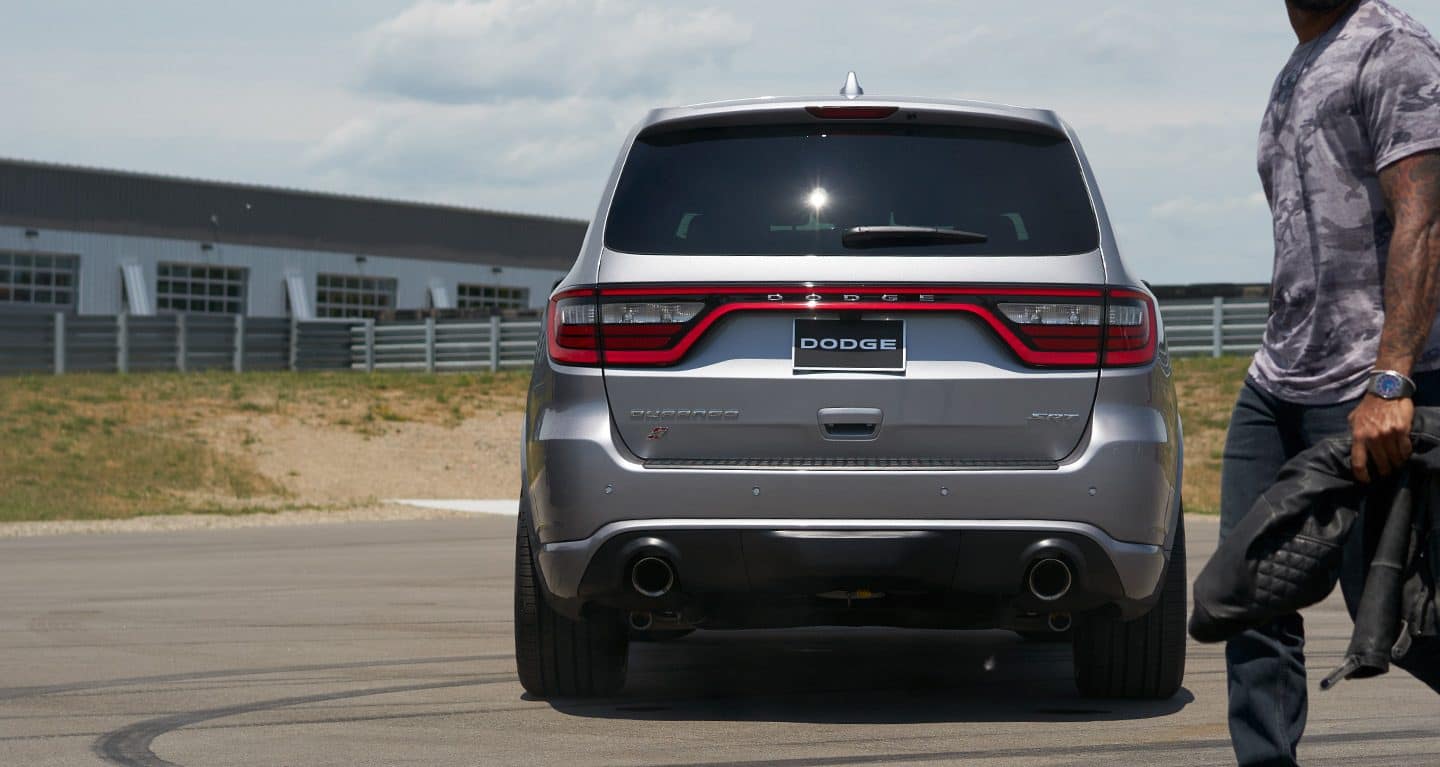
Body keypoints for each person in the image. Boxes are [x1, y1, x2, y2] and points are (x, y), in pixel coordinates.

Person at [1219, 0, 1440, 764]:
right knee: (1249, 592)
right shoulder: (1298, 67)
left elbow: (1425, 216)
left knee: (1400, 613)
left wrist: (1392, 377)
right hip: (1278, 378)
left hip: (1366, 382)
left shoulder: (1393, 46)